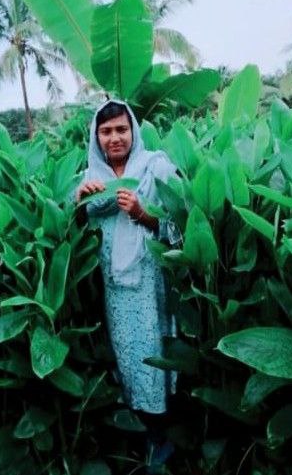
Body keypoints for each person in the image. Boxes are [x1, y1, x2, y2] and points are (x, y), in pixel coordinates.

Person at [76, 99, 180, 471]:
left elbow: (183, 227)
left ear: (133, 130)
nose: (115, 137)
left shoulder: (157, 168)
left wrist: (142, 213)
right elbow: (73, 242)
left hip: (151, 288)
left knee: (155, 355)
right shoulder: (91, 179)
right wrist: (78, 205)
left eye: (121, 129)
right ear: (96, 136)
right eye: (106, 131)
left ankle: (162, 436)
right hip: (116, 291)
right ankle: (144, 432)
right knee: (128, 357)